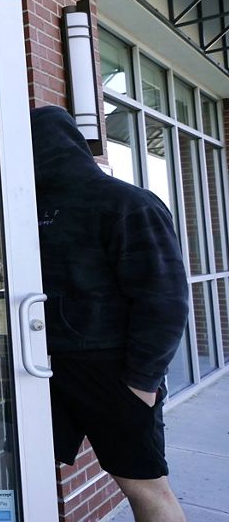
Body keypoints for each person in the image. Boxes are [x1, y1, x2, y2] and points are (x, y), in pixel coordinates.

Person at [31, 106, 189, 522]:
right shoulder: (25, 214)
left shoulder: (128, 203)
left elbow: (166, 300)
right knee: (27, 474)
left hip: (113, 370)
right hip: (43, 367)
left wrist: (141, 382)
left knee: (147, 489)